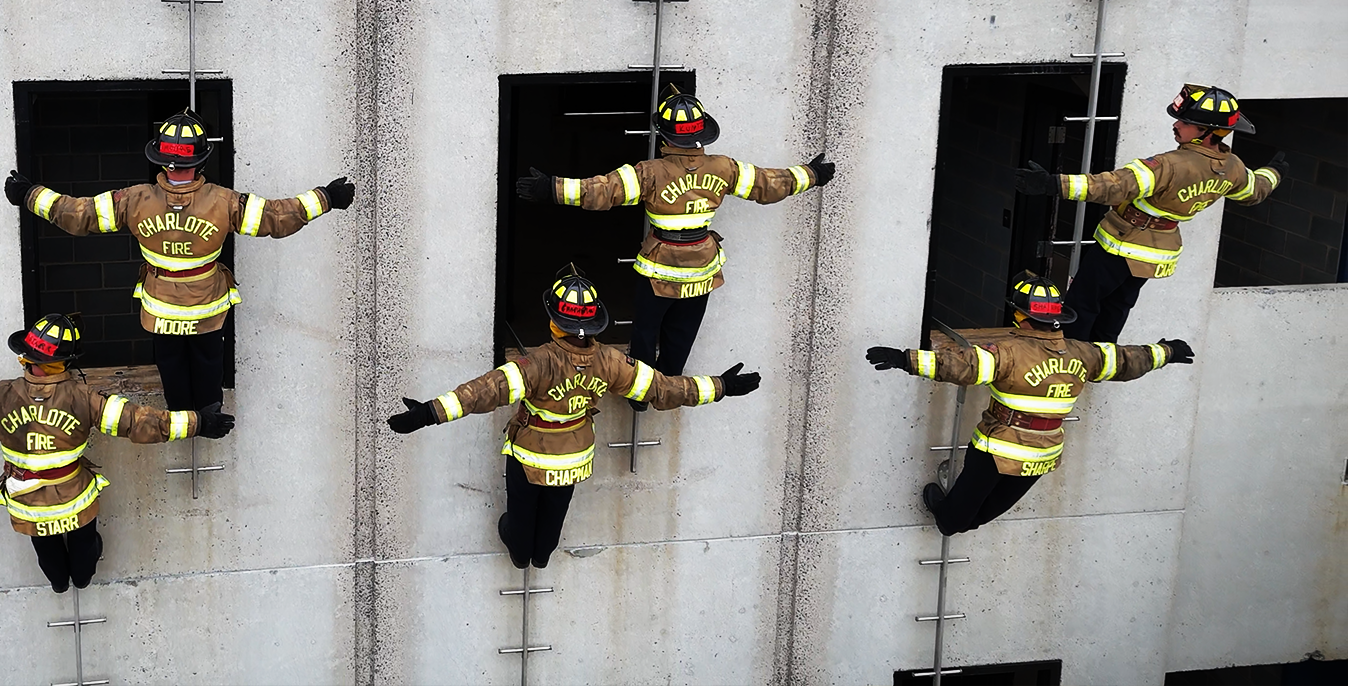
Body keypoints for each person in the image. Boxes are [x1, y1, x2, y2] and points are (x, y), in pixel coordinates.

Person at [386, 264, 759, 569]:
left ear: (554, 321)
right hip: (572, 463)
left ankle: (517, 545)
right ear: (596, 323)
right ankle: (541, 552)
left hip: (528, 459)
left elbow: (485, 392)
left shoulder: (537, 364)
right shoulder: (613, 363)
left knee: (520, 547)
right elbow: (663, 389)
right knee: (545, 548)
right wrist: (720, 386)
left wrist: (428, 413)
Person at [0, 313, 232, 590]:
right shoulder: (85, 398)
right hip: (74, 499)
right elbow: (140, 422)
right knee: (84, 558)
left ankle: (59, 584)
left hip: (26, 501)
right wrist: (199, 422)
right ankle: (81, 576)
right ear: (66, 362)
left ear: (25, 359)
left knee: (50, 561)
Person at [5, 108, 352, 410]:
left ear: (157, 159)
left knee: (170, 363)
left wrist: (29, 194)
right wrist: (326, 198)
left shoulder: (133, 200)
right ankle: (210, 409)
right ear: (200, 161)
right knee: (207, 360)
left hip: (161, 308)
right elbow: (276, 217)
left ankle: (182, 417)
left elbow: (79, 214)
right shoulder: (224, 201)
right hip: (207, 307)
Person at [515, 87, 831, 405]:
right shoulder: (724, 168)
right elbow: (767, 183)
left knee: (644, 333)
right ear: (703, 134)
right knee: (680, 336)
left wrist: (552, 189)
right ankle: (666, 391)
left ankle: (639, 395)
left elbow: (602, 190)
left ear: (663, 137)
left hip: (659, 271)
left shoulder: (651, 173)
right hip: (701, 272)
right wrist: (812, 175)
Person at [865, 273, 1190, 535]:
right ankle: (959, 518)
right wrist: (1166, 352)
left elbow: (961, 365)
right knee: (979, 515)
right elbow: (1126, 361)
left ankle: (948, 514)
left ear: (1021, 316)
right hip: (1041, 456)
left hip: (998, 450)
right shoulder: (1084, 352)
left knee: (952, 522)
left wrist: (905, 359)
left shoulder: (1008, 352)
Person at [1014, 84, 1282, 342]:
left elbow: (1114, 187)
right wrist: (1275, 172)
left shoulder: (1169, 165)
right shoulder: (1233, 167)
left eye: (1184, 122)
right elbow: (1254, 191)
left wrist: (1053, 184)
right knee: (1117, 307)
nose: (1176, 125)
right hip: (1156, 253)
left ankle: (1072, 358)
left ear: (1209, 132)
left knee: (1082, 303)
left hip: (1123, 242)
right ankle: (1102, 359)